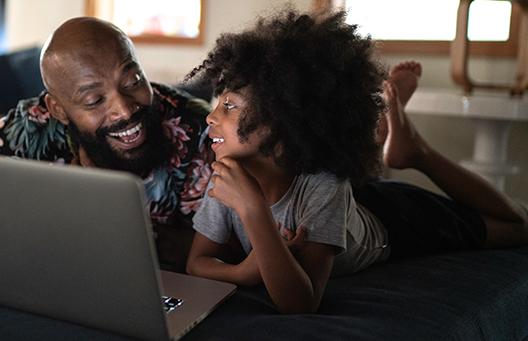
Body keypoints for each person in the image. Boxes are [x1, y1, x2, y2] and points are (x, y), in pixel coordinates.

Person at [184, 8, 528, 315]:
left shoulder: (322, 185)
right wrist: (243, 271)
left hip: (394, 220)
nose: (211, 117)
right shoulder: (227, 179)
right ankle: (386, 136)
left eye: (229, 106)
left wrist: (253, 211)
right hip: (347, 207)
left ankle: (415, 151)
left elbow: (301, 303)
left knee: (518, 226)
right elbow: (196, 263)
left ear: (283, 119)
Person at [0, 17, 293, 269]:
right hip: (38, 269)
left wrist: (148, 242)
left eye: (133, 80)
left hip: (154, 281)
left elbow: (256, 240)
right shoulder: (31, 126)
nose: (125, 109)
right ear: (57, 109)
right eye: (94, 100)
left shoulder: (195, 129)